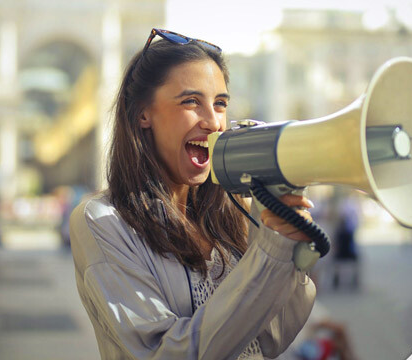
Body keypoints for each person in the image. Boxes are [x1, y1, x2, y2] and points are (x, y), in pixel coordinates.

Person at [69, 28, 317, 359]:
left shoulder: (234, 211)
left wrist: (288, 251)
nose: (214, 122)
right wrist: (269, 255)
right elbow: (167, 353)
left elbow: (270, 338)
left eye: (220, 104)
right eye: (191, 101)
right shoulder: (101, 222)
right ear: (144, 113)